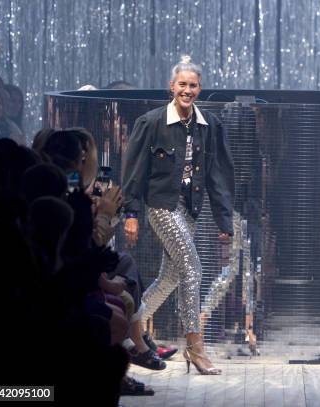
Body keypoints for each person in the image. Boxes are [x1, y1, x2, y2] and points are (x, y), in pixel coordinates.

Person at [122, 55, 235, 375]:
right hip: (161, 206)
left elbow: (218, 175)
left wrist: (224, 220)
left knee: (171, 276)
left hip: (190, 208)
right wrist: (130, 212)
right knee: (192, 269)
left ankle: (129, 328)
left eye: (193, 85)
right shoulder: (152, 122)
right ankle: (195, 347)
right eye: (182, 84)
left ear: (200, 89)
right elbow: (134, 171)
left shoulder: (209, 125)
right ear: (171, 87)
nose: (187, 90)